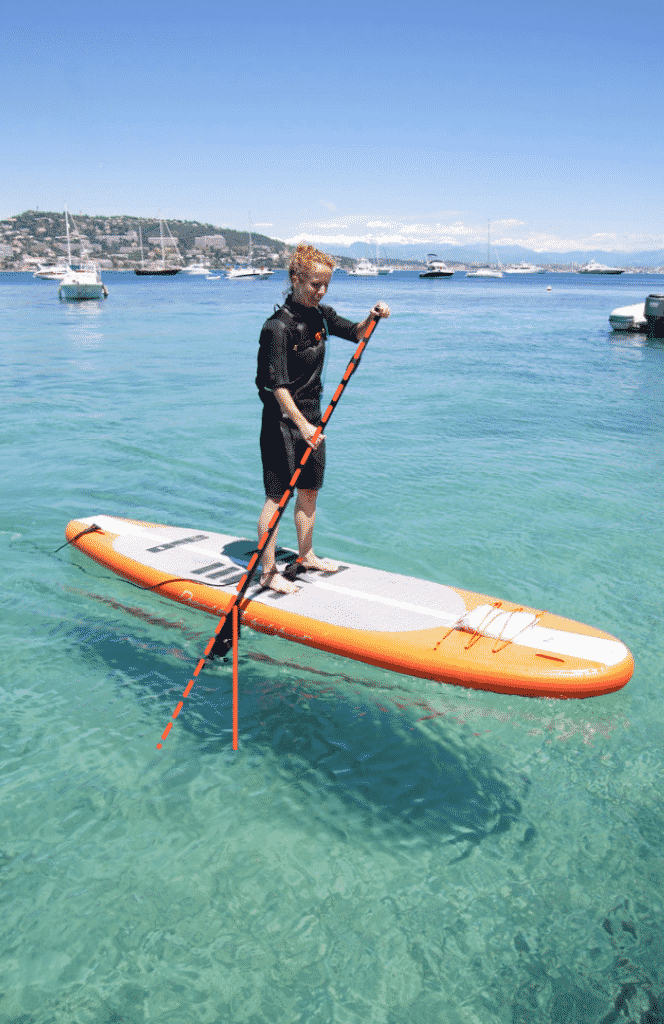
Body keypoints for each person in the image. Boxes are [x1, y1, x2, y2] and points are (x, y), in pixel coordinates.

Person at [255, 243, 390, 594]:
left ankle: (306, 555)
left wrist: (372, 316)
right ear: (296, 279)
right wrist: (303, 425)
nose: (321, 291)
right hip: (283, 424)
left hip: (315, 421)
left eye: (326, 284)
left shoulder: (321, 316)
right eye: (315, 284)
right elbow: (277, 387)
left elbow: (355, 331)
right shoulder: (277, 327)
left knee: (310, 491)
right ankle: (268, 572)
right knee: (278, 497)